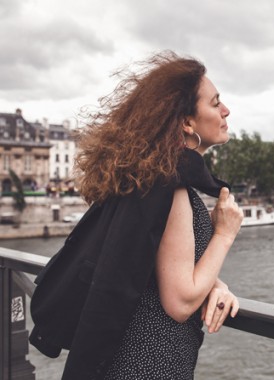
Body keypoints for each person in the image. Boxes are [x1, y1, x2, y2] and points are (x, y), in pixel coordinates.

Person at [29, 51, 244, 379]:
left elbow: (146, 258)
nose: (226, 110)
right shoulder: (171, 187)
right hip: (151, 361)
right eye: (215, 103)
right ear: (187, 122)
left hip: (123, 355)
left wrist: (214, 283)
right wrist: (224, 235)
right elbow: (181, 301)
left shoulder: (148, 179)